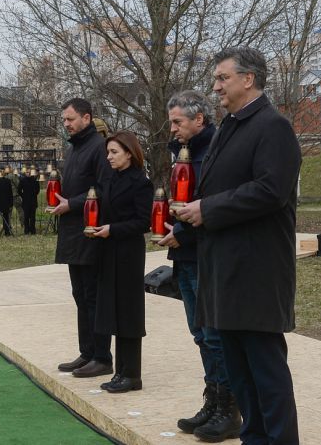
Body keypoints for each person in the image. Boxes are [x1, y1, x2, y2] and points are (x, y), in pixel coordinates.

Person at [177, 47, 301, 444]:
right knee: (241, 377)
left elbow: (271, 190)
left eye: (222, 78)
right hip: (223, 271)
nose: (215, 87)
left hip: (256, 274)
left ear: (249, 79)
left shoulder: (272, 126)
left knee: (266, 375)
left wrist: (207, 209)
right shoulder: (232, 126)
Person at [158, 90, 239, 440]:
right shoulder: (182, 153)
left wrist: (182, 233)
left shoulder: (215, 151)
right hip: (185, 255)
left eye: (178, 122)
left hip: (205, 252)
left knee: (214, 335)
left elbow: (211, 205)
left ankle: (228, 408)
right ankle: (211, 400)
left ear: (199, 120)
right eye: (172, 121)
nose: (173, 128)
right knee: (199, 334)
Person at [50, 97, 114, 378]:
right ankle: (86, 352)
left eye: (70, 119)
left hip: (91, 232)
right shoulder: (73, 149)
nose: (66, 124)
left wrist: (72, 204)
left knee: (93, 296)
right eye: (64, 119)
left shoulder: (99, 148)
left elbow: (104, 189)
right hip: (72, 231)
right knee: (79, 294)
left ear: (86, 118)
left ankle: (102, 356)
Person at [90, 131, 153, 393]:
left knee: (128, 312)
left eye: (114, 152)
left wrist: (112, 229)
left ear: (129, 152)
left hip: (128, 252)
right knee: (112, 309)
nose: (109, 157)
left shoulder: (141, 182)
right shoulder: (111, 179)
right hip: (108, 251)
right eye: (108, 153)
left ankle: (132, 374)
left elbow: (143, 222)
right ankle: (120, 372)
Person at [18, 168, 40, 234]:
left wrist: (33, 194)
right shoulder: (22, 180)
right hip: (26, 201)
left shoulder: (35, 180)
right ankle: (26, 230)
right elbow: (19, 190)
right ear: (25, 173)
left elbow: (37, 190)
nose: (28, 173)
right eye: (27, 172)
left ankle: (33, 230)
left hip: (33, 201)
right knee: (26, 216)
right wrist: (23, 196)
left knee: (33, 217)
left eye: (30, 172)